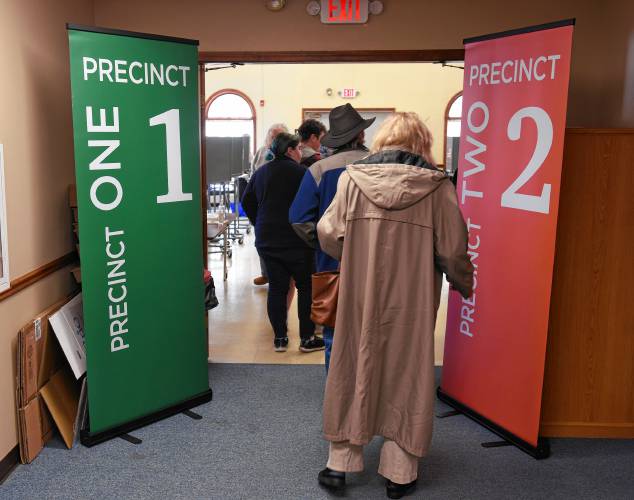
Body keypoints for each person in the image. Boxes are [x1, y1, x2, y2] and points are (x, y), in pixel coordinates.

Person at [315, 112, 474, 498]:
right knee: (407, 371)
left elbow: (326, 231)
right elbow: (452, 249)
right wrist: (463, 282)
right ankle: (399, 473)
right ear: (422, 143)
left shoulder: (353, 179)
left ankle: (340, 463)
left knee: (354, 361)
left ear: (382, 140)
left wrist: (351, 254)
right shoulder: (437, 187)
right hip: (413, 298)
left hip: (359, 294)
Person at [289, 104, 374, 371]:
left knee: (333, 334)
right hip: (375, 262)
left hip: (330, 265)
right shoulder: (379, 166)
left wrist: (326, 244)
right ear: (360, 135)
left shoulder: (319, 170)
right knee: (371, 332)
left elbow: (299, 219)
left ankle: (336, 394)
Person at [241, 132, 326, 354]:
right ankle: (307, 338)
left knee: (277, 288)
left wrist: (258, 220)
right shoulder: (302, 173)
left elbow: (246, 200)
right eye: (298, 149)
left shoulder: (261, 173)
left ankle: (280, 338)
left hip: (268, 239)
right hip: (296, 239)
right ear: (289, 151)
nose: (300, 152)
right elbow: (313, 202)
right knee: (305, 287)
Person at [250, 123, 289, 286]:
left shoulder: (290, 153)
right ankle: (265, 274)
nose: (274, 140)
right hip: (262, 203)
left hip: (282, 205)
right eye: (272, 137)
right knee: (261, 241)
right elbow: (253, 175)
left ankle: (281, 275)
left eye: (278, 137)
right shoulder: (261, 152)